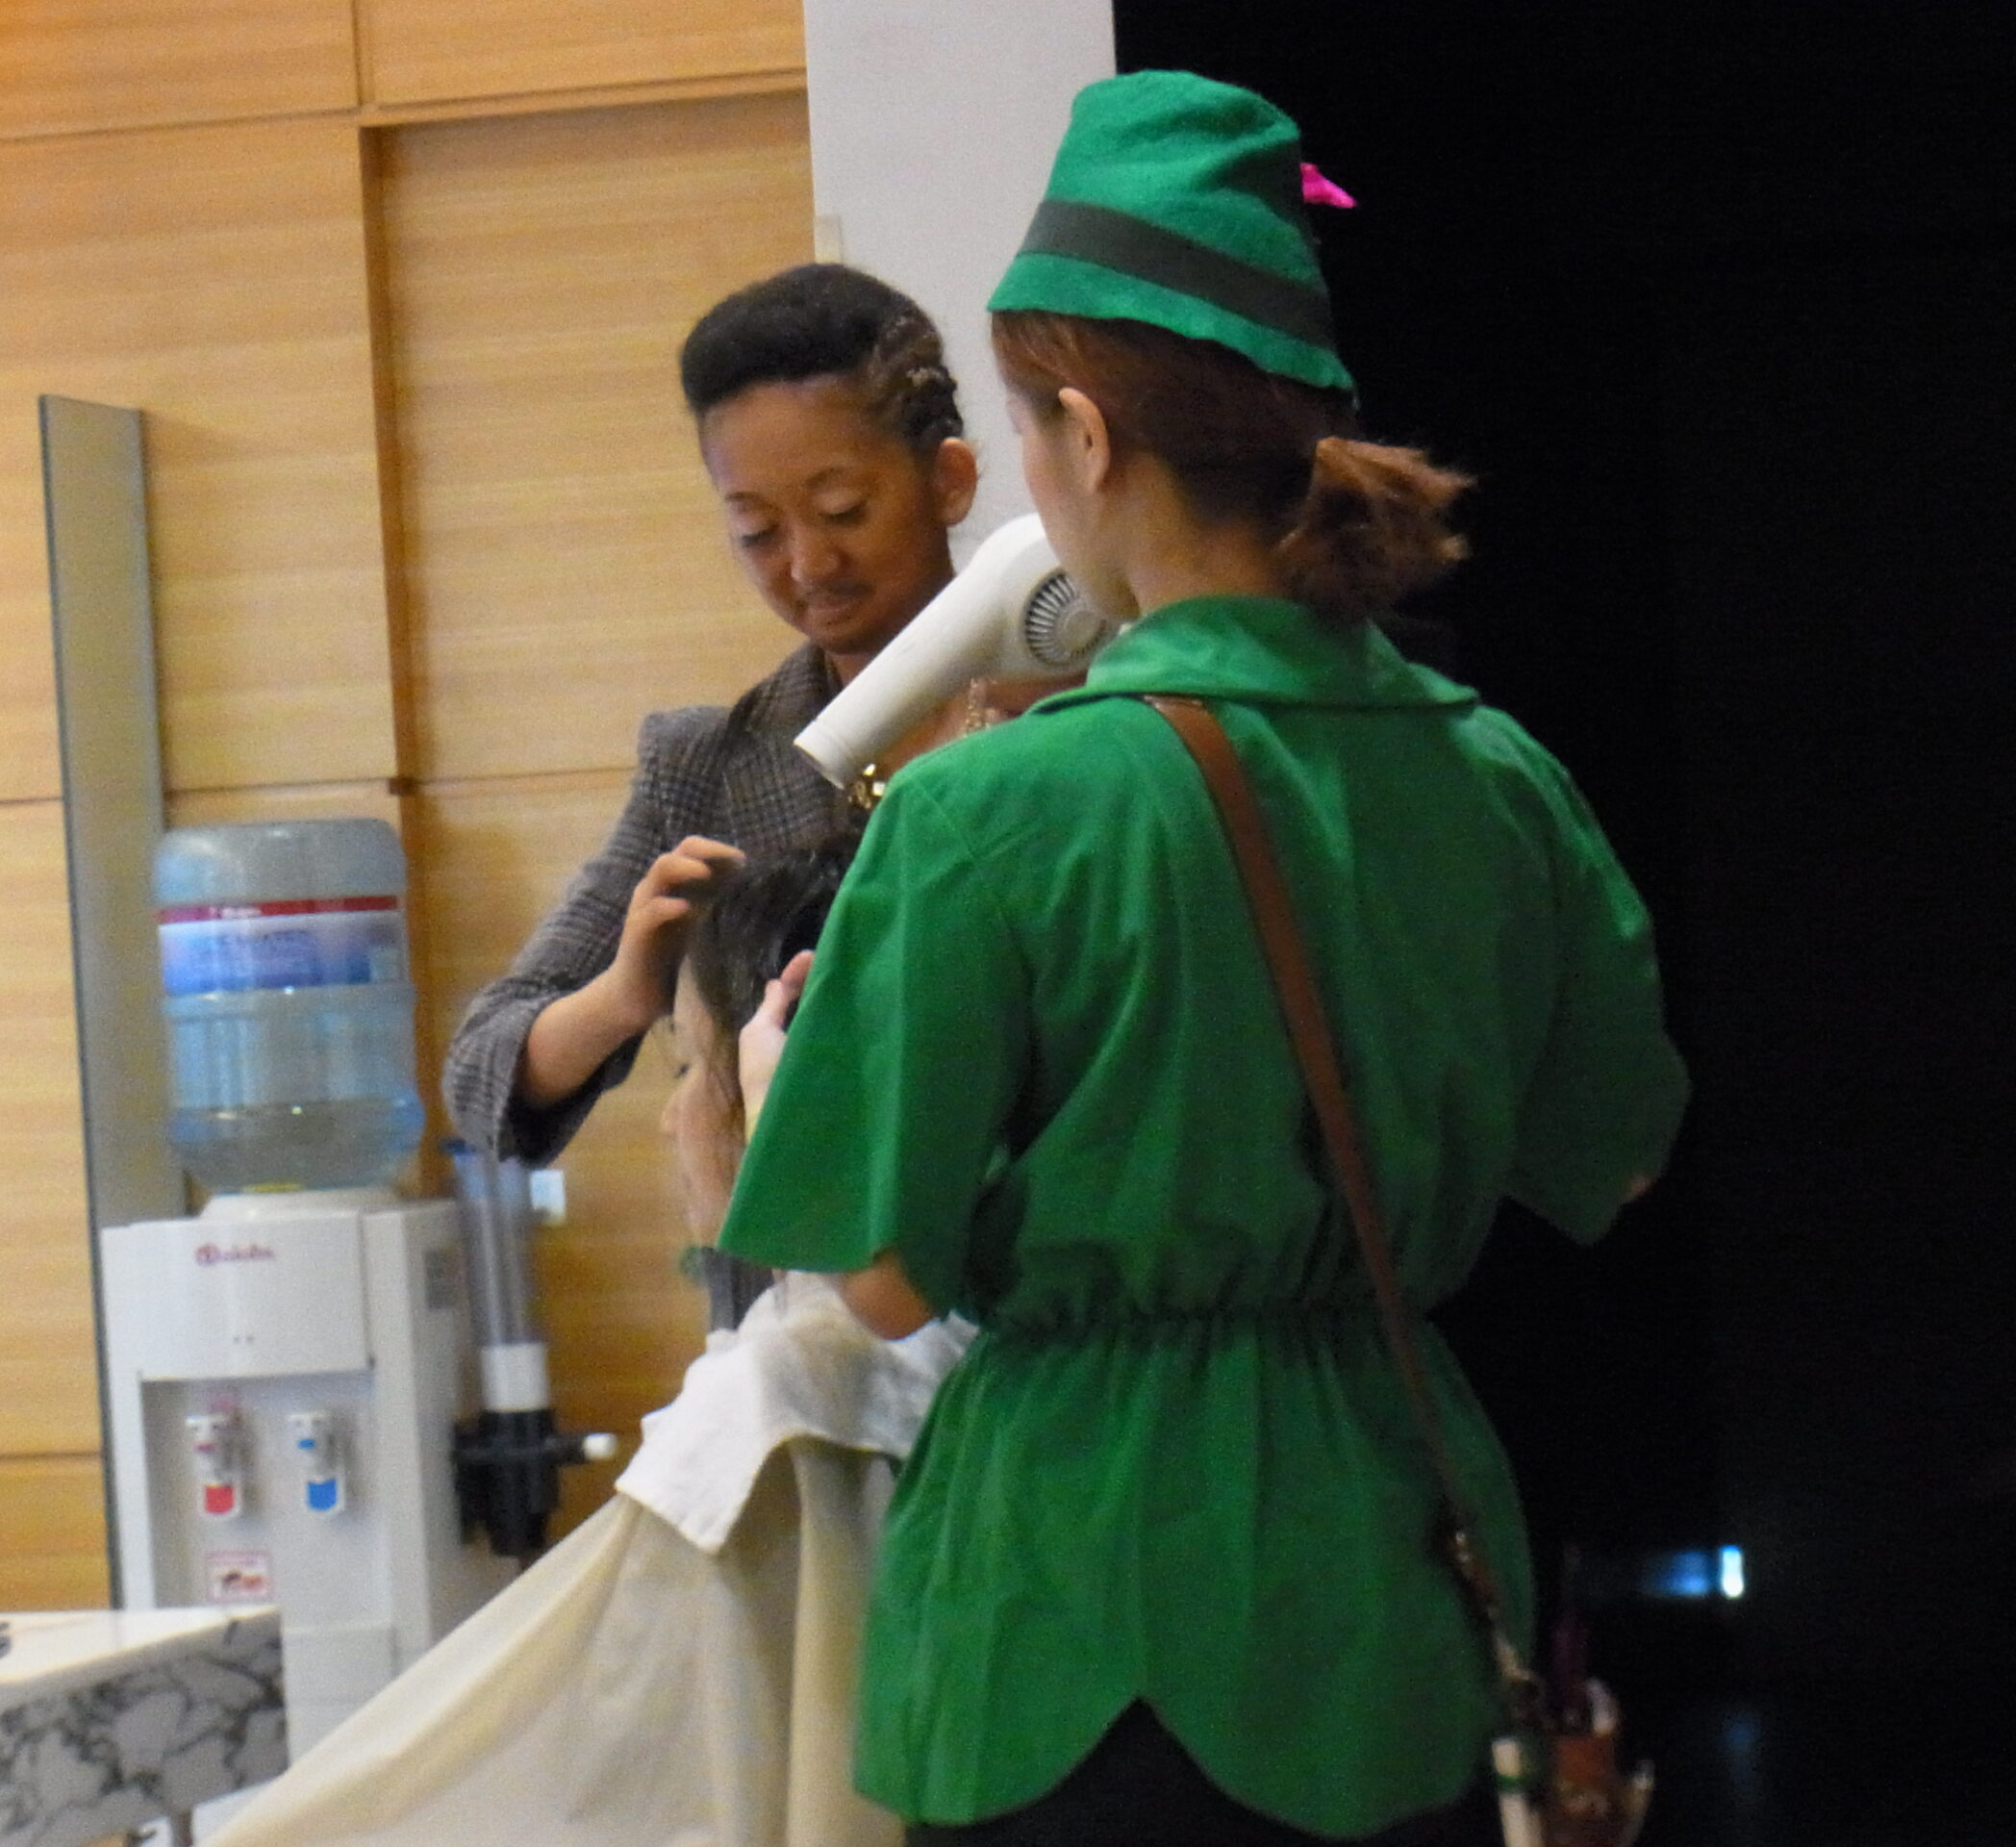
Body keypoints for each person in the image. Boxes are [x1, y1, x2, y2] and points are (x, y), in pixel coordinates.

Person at [718, 70, 1689, 1847]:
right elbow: (1609, 1163)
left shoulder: (992, 812)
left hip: (1074, 1615)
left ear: (1085, 438)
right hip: (1395, 1594)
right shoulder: (1495, 775)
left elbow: (882, 1278)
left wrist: (784, 1076)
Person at [215, 845, 966, 1847]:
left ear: (789, 1086)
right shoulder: (1008, 1353)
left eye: (688, 1067)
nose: (669, 1120)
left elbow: (562, 1780)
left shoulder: (769, 1403)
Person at [443, 265, 979, 1163]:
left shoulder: (1071, 709)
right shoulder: (709, 766)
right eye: (758, 531)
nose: (807, 563)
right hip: (802, 1245)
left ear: (949, 481)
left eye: (843, 510)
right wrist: (624, 994)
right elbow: (482, 1079)